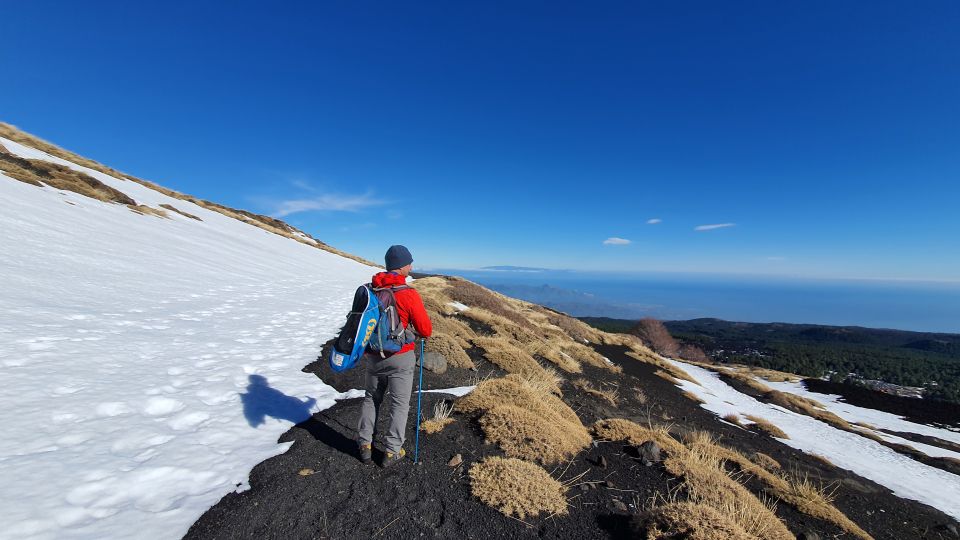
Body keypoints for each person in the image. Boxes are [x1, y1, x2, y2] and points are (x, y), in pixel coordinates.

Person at [357, 245, 432, 467]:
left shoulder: (371, 290)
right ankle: (391, 451)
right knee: (399, 404)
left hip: (373, 356)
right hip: (401, 356)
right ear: (402, 266)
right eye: (409, 262)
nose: (411, 266)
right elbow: (425, 329)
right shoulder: (408, 294)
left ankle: (364, 445)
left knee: (371, 398)